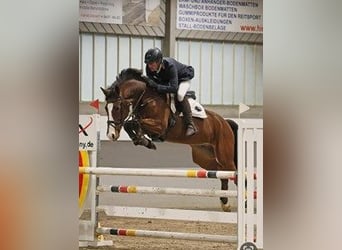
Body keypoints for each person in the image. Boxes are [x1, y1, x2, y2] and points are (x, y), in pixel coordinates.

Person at [144, 47, 198, 137]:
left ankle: (190, 124)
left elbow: (173, 88)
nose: (150, 66)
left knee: (180, 95)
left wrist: (157, 86)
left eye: (152, 63)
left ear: (159, 62)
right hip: (168, 80)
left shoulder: (170, 66)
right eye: (148, 63)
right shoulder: (149, 68)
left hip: (182, 79)